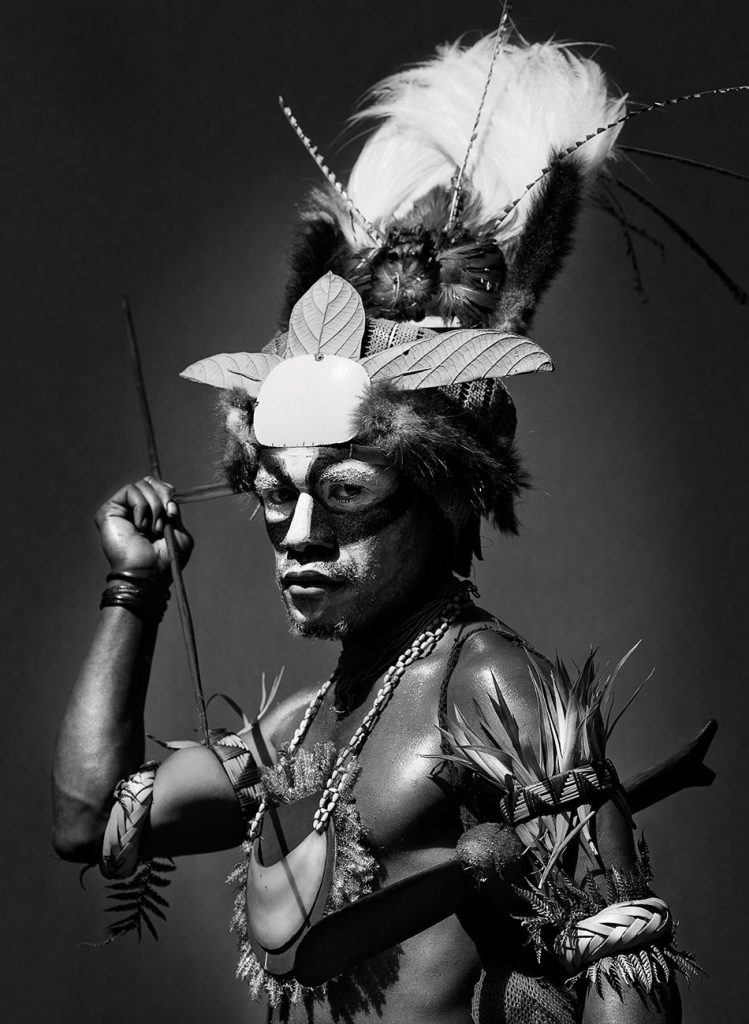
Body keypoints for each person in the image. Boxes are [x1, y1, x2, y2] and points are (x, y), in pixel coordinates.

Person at [52, 29, 720, 1024]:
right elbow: (92, 818)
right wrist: (135, 587)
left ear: (442, 494)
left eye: (346, 491)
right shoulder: (302, 732)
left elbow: (624, 973)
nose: (298, 533)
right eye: (274, 495)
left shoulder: (491, 691)